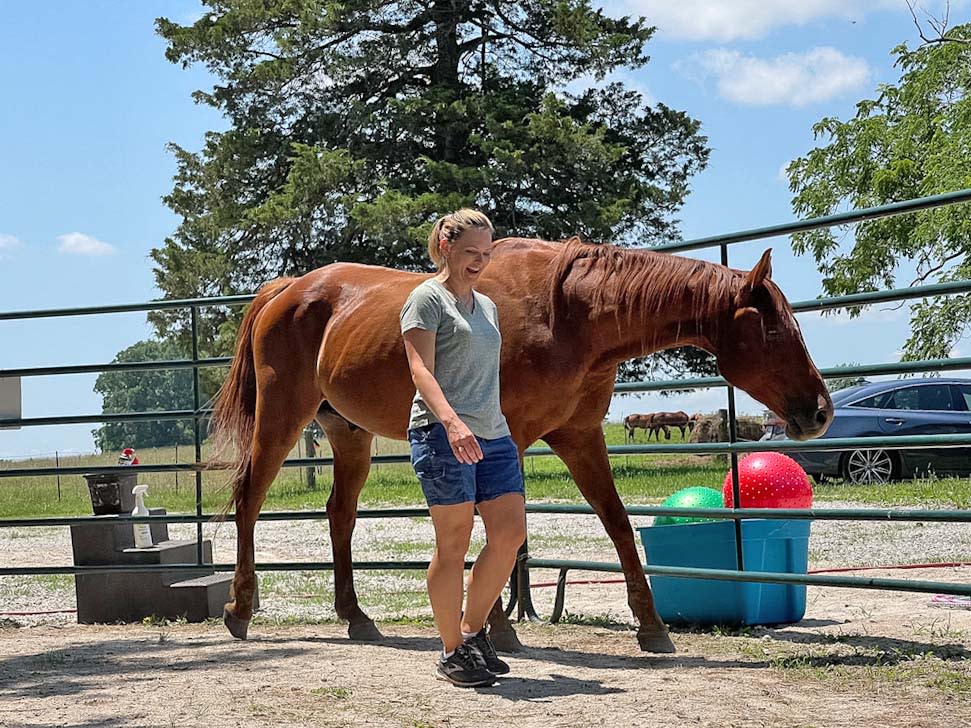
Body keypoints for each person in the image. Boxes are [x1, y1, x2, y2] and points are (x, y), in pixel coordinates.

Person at [400, 209, 527, 688]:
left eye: (486, 253)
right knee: (452, 545)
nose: (479, 261)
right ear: (447, 247)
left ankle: (472, 633)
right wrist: (451, 423)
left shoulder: (487, 306)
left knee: (509, 536)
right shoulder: (425, 300)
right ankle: (452, 649)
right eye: (471, 252)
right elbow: (419, 370)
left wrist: (489, 425)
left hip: (494, 435)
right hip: (440, 434)